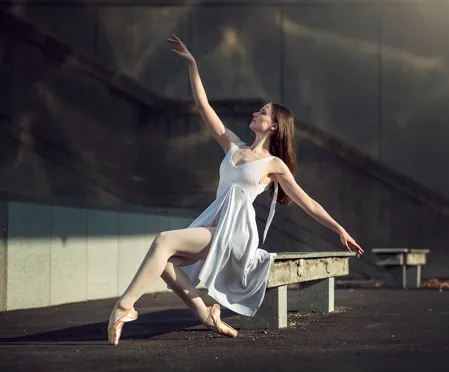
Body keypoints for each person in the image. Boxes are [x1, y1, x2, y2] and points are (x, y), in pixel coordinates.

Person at [107, 34, 364, 345]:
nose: (256, 114)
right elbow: (203, 108)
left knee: (163, 241)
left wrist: (339, 228)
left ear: (273, 127)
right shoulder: (233, 146)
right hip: (215, 226)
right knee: (164, 262)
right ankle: (206, 314)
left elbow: (308, 202)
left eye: (263, 113)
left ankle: (124, 306)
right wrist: (193, 65)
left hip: (236, 235)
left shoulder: (274, 164)